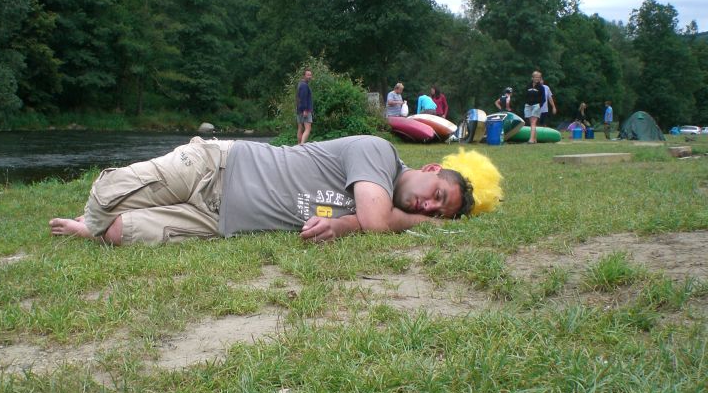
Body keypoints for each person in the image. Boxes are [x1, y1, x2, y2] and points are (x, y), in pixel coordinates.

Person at [49, 136, 503, 246]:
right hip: (216, 166)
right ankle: (91, 217)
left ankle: (90, 227)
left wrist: (344, 225)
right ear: (432, 169)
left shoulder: (381, 203)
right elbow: (376, 221)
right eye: (437, 195)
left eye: (436, 213)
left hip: (217, 220)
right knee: (107, 192)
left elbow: (367, 221)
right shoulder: (378, 151)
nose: (427, 206)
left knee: (115, 234)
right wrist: (420, 223)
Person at [524, 71, 545, 144]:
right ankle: (535, 139)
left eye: (539, 77)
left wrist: (539, 105)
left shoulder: (541, 87)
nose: (537, 78)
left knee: (533, 122)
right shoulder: (528, 86)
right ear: (532, 78)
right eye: (536, 77)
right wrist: (526, 102)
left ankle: (531, 140)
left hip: (536, 106)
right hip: (528, 105)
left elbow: (543, 99)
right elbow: (525, 95)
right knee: (532, 123)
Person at [296, 69, 313, 144]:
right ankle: (302, 144)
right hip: (305, 110)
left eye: (310, 75)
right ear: (304, 76)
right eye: (308, 75)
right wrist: (305, 110)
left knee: (300, 128)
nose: (310, 77)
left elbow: (298, 98)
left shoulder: (300, 84)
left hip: (299, 109)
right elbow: (303, 98)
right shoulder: (304, 86)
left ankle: (299, 145)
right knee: (308, 128)